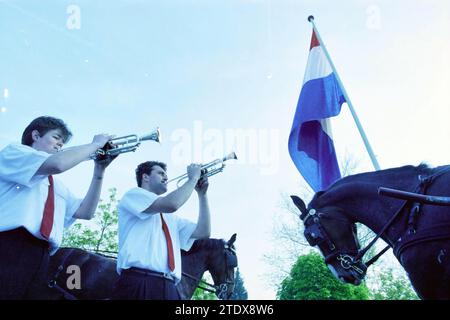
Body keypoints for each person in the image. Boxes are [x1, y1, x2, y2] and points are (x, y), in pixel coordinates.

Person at [0, 116, 116, 299]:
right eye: (56, 138)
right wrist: (95, 144)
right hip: (9, 244)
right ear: (36, 135)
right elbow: (58, 163)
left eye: (62, 143)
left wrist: (99, 170)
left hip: (42, 253)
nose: (59, 145)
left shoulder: (56, 185)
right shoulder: (14, 152)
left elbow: (86, 212)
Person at [112, 161, 211, 300]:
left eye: (166, 174)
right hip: (139, 280)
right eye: (160, 173)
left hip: (169, 286)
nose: (166, 177)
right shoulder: (133, 195)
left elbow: (204, 232)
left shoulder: (171, 218)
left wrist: (202, 195)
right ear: (145, 177)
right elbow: (172, 204)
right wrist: (193, 178)